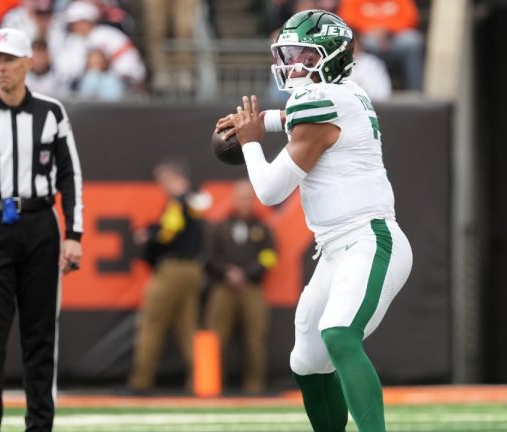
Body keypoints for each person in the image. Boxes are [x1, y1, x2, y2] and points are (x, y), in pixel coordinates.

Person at [215, 10, 412, 432]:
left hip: (369, 239)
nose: (292, 63)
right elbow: (294, 119)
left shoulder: (324, 102)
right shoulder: (344, 94)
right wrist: (258, 122)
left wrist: (250, 143)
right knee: (305, 363)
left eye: (305, 54)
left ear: (334, 57)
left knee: (339, 334)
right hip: (336, 248)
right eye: (288, 53)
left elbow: (269, 190)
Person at [0, 28, 83, 431]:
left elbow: (70, 175)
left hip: (41, 225)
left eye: (7, 60)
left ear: (27, 63)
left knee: (40, 337)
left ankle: (40, 425)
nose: (0, 69)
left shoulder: (51, 111)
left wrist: (74, 235)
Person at [127, 158, 206, 394]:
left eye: (164, 180)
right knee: (187, 328)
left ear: (175, 178)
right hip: (193, 270)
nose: (162, 185)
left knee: (151, 323)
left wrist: (147, 236)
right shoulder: (195, 203)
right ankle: (199, 382)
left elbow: (167, 233)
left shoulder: (178, 203)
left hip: (172, 270)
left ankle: (140, 382)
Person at [204, 179, 277, 394]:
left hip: (251, 288)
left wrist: (247, 274)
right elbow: (210, 257)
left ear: (254, 200)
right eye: (241, 197)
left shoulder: (263, 230)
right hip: (223, 288)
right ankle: (210, 383)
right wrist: (228, 273)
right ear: (234, 200)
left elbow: (270, 257)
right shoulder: (220, 227)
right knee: (216, 336)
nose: (245, 202)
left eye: (248, 198)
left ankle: (255, 385)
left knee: (256, 337)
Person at [55, 1, 145, 92]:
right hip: (79, 88)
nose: (73, 27)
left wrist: (106, 70)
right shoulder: (72, 41)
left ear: (86, 20)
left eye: (75, 23)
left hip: (115, 86)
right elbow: (64, 70)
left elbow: (131, 67)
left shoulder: (110, 36)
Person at [338, 0, 423, 91]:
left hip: (395, 37)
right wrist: (371, 30)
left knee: (412, 40)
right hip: (366, 37)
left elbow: (411, 18)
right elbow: (347, 20)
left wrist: (388, 29)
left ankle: (415, 92)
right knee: (368, 42)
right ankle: (371, 91)